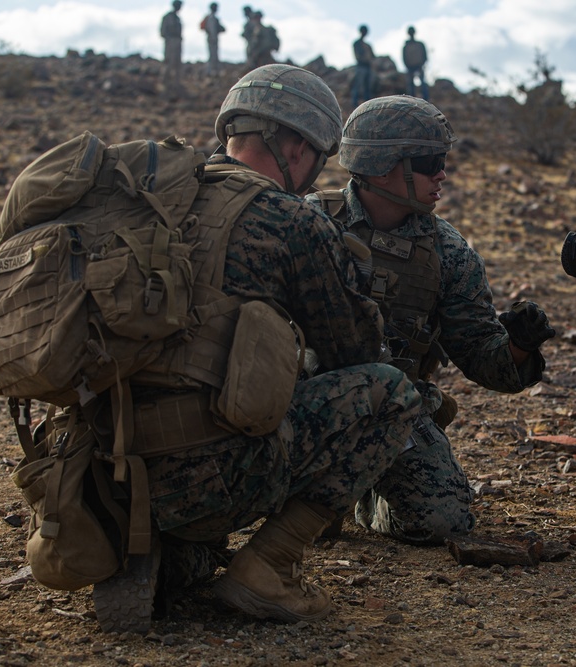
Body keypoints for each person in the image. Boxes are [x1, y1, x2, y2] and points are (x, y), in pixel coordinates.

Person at [91, 65, 422, 633]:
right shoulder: (289, 218)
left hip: (100, 469)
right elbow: (352, 353)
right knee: (391, 394)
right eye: (317, 155)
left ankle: (156, 549)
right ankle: (269, 566)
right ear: (294, 145)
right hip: (211, 475)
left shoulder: (145, 202)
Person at [307, 95, 555, 545]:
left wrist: (518, 345)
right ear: (382, 164)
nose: (442, 173)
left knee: (439, 523)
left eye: (443, 160)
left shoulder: (448, 252)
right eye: (429, 161)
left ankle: (367, 497)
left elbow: (482, 356)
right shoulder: (308, 223)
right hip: (303, 401)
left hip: (394, 410)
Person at [159, 0, 183, 92]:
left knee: (177, 63)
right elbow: (163, 31)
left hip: (177, 41)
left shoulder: (177, 18)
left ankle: (176, 84)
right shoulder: (168, 17)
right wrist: (169, 38)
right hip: (170, 41)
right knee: (168, 62)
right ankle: (165, 82)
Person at [402, 26, 429, 101]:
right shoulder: (406, 46)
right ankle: (412, 100)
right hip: (410, 67)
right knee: (411, 85)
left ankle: (425, 99)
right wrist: (408, 66)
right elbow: (404, 58)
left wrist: (422, 64)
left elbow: (424, 55)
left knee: (422, 84)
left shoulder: (419, 44)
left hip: (419, 66)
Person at [351, 24, 375, 108]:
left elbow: (373, 56)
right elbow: (358, 56)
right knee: (358, 85)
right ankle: (354, 102)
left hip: (367, 67)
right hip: (361, 66)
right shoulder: (357, 44)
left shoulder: (367, 45)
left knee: (367, 87)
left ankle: (367, 104)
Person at [201, 2, 225, 78]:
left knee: (213, 56)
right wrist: (213, 38)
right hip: (212, 40)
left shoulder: (212, 18)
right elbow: (212, 30)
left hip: (212, 39)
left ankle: (212, 72)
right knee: (212, 56)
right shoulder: (212, 18)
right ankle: (210, 72)